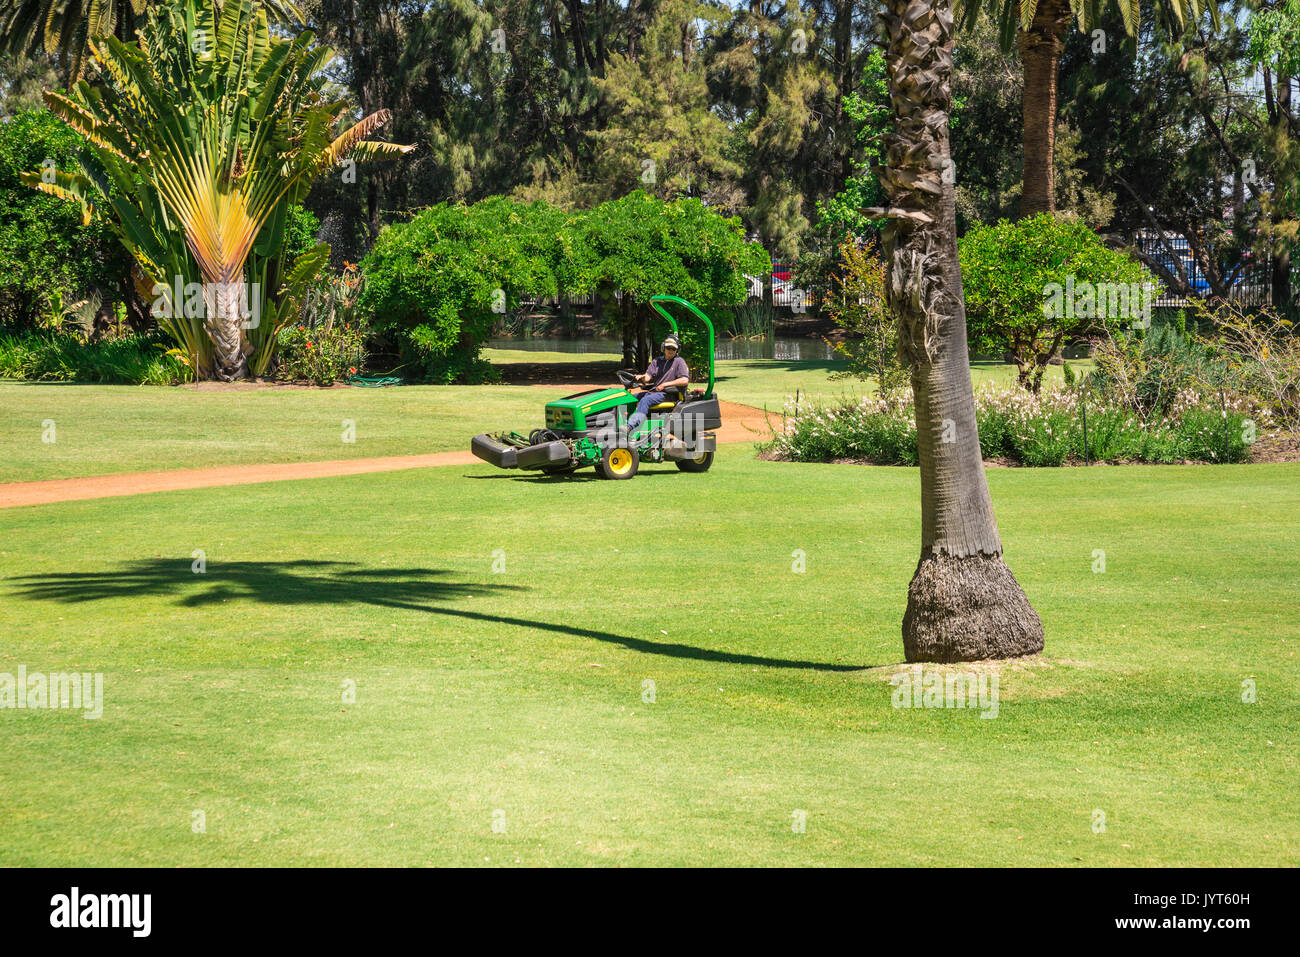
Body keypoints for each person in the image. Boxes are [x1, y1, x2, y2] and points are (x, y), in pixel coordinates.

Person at [625, 335, 689, 433]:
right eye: (668, 348)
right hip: (655, 392)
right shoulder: (656, 361)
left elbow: (684, 380)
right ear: (663, 348)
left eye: (673, 349)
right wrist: (642, 377)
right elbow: (648, 377)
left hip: (668, 394)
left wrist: (665, 384)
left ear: (677, 350)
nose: (671, 350)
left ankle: (630, 426)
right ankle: (622, 422)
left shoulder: (679, 362)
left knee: (645, 400)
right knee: (629, 398)